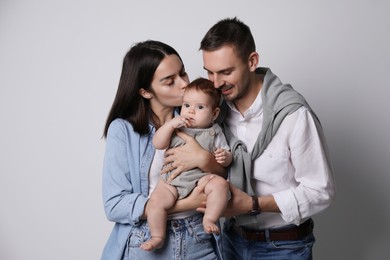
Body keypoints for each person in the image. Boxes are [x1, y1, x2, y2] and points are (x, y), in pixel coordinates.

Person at [164, 17, 336, 259]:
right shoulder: (212, 112)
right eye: (209, 72)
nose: (216, 83)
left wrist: (252, 204)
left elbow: (320, 192)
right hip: (229, 240)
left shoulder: (293, 115)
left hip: (283, 247)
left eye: (225, 72)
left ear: (252, 61)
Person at [101, 40, 225, 260]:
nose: (184, 84)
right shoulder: (123, 130)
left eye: (183, 73)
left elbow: (229, 178)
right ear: (146, 92)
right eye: (170, 81)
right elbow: (115, 205)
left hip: (199, 237)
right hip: (146, 242)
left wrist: (203, 158)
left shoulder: (204, 118)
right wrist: (188, 204)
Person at [140, 77, 232, 251]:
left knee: (220, 185)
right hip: (171, 181)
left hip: (200, 181)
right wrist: (170, 125)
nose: (191, 111)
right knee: (155, 203)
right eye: (187, 105)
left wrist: (224, 157)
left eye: (200, 107)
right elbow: (158, 143)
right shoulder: (176, 127)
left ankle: (210, 218)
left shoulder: (216, 132)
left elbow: (226, 156)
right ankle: (158, 236)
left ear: (214, 113)